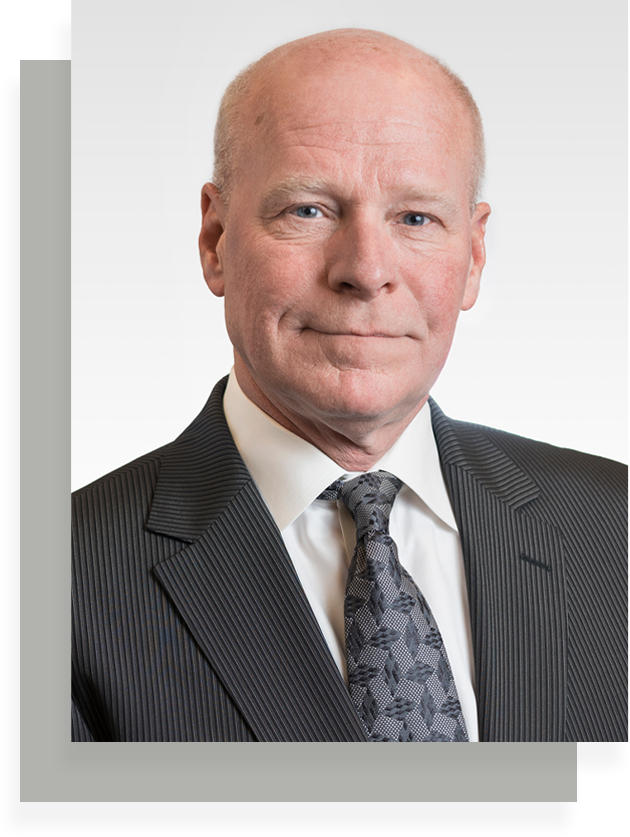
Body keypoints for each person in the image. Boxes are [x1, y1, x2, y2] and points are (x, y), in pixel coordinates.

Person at [71, 29, 628, 742]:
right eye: (308, 210)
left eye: (416, 218)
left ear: (474, 255)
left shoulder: (616, 529)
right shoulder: (60, 582)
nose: (365, 270)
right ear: (215, 240)